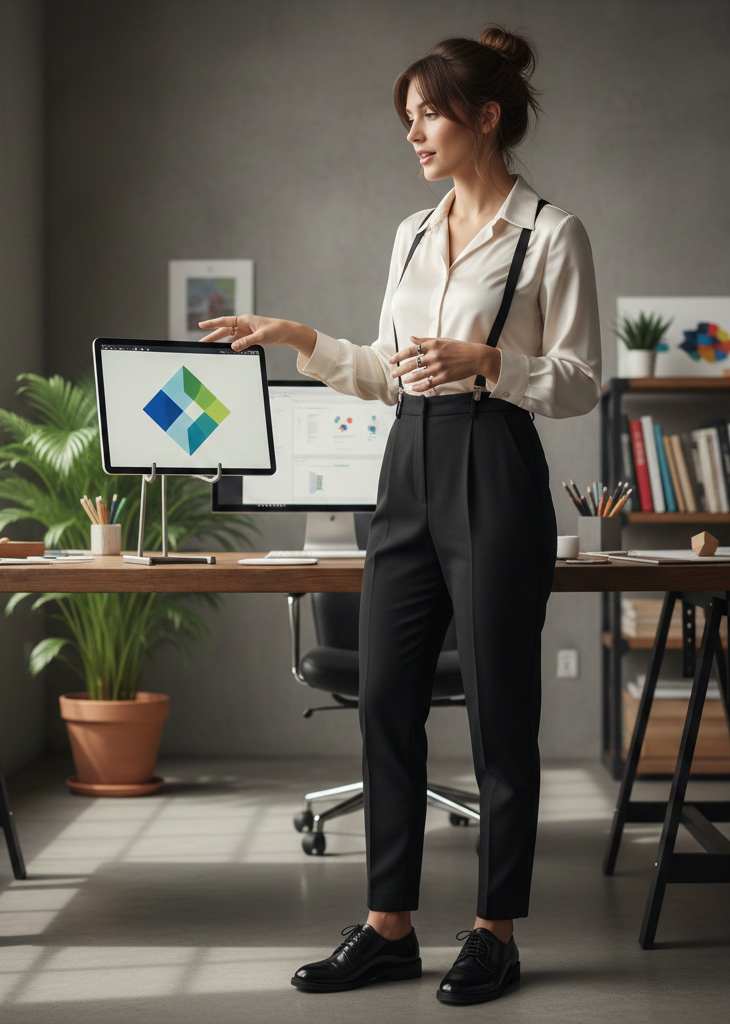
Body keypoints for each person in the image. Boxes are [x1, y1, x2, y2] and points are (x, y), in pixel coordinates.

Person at [199, 26, 601, 1007]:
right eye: (409, 118)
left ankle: (494, 932)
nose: (414, 133)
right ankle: (389, 926)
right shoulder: (411, 235)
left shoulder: (550, 232)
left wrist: (488, 363)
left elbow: (583, 379)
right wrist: (299, 336)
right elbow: (384, 372)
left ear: (486, 116)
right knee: (385, 698)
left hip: (495, 461)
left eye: (428, 113)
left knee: (504, 708)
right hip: (407, 462)